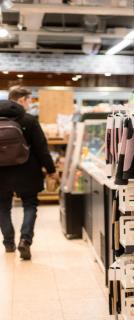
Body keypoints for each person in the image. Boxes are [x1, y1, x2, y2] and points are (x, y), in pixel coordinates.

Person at [0, 86, 56, 260]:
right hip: (27, 170)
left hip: (1, 172)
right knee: (29, 205)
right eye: (30, 99)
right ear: (22, 100)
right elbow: (41, 149)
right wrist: (51, 170)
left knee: (3, 208)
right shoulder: (29, 120)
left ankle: (8, 243)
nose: (31, 103)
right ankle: (25, 240)